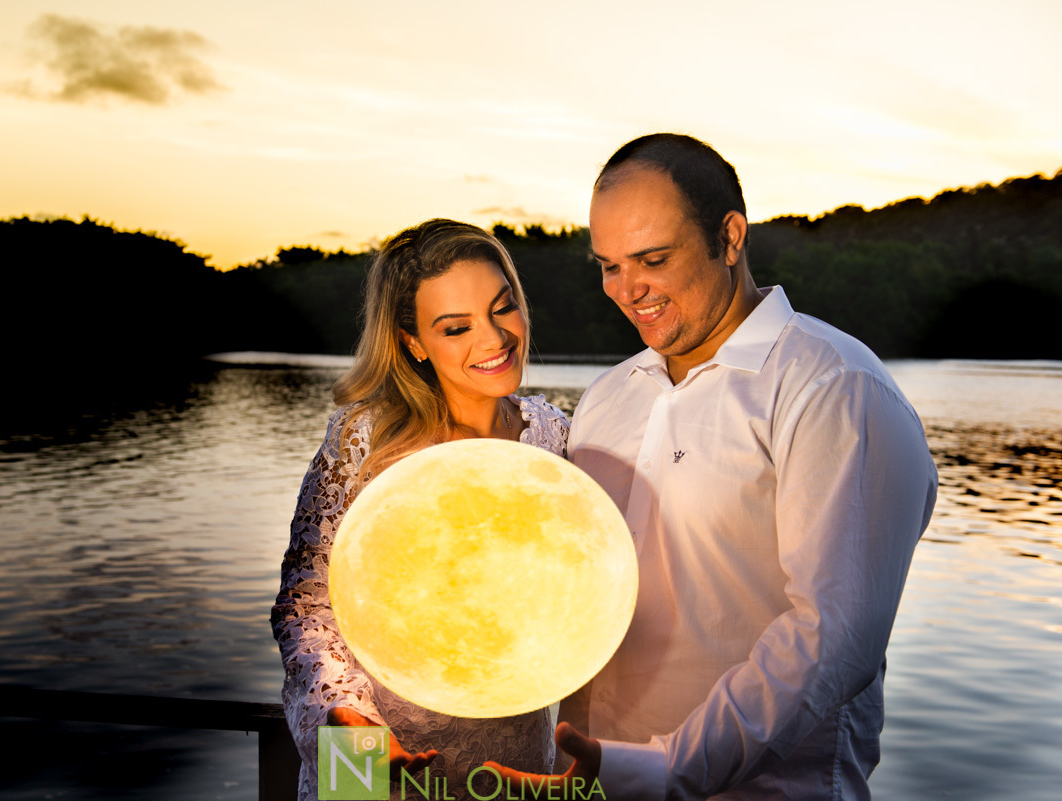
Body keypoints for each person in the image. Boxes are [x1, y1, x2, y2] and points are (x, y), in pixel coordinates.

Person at [486, 134, 938, 799]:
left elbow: (832, 639)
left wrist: (665, 769)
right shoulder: (607, 396)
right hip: (587, 780)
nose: (628, 289)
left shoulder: (834, 387)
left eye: (653, 259)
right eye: (609, 265)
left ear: (728, 238)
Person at [271, 218, 569, 800]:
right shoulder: (364, 441)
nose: (494, 338)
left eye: (503, 308)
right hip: (370, 755)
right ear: (413, 342)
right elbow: (306, 606)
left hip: (508, 761)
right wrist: (346, 720)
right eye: (456, 328)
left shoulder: (552, 438)